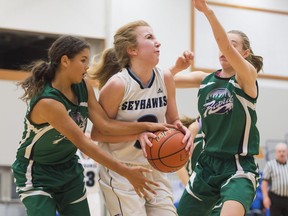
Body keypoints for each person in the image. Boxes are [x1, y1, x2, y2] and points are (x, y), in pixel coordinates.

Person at [11, 35, 172, 216]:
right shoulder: (49, 101)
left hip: (68, 168)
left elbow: (104, 124)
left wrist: (146, 128)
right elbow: (83, 142)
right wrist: (126, 171)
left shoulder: (83, 85)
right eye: (83, 60)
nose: (87, 66)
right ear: (65, 61)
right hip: (37, 171)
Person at [89, 20, 193, 216]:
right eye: (149, 37)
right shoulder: (118, 85)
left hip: (155, 167)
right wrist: (137, 134)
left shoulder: (166, 78)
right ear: (132, 50)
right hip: (121, 169)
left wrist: (182, 131)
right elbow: (98, 133)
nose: (158, 42)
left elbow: (173, 122)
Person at [173, 0, 264, 215]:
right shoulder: (205, 80)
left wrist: (208, 12)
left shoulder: (247, 79)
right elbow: (163, 80)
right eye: (225, 44)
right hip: (207, 164)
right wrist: (177, 66)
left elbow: (223, 44)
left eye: (233, 45)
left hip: (238, 166)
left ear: (245, 54)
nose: (225, 49)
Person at [262, 142, 288, 216]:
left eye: (283, 151)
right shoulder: (270, 165)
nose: (281, 153)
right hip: (275, 198)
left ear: (287, 152)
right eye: (279, 151)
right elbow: (264, 183)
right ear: (276, 153)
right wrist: (265, 197)